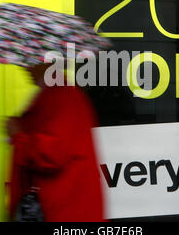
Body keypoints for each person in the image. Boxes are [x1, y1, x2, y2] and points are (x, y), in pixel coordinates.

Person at [6, 63, 105, 222]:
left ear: (45, 63)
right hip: (62, 208)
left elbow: (50, 156)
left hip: (63, 211)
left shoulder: (60, 96)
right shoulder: (56, 93)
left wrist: (18, 135)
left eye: (29, 62)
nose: (24, 68)